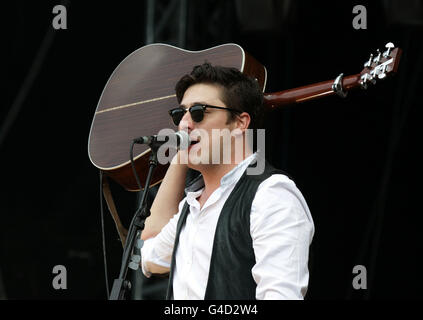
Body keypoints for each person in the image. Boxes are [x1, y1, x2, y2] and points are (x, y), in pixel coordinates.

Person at [140, 62, 314, 300]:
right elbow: (149, 256)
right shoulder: (191, 206)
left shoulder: (271, 195)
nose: (184, 123)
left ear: (240, 123)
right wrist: (184, 148)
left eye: (200, 112)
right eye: (180, 114)